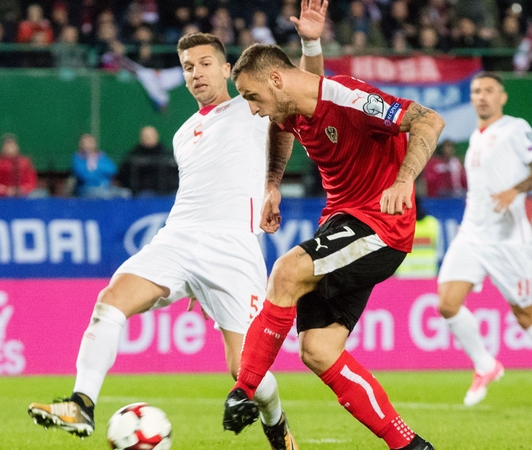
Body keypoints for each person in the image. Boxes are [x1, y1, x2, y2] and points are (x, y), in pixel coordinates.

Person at [27, 3, 330, 449]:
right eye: (187, 67)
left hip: (231, 249)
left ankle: (278, 427)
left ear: (228, 69)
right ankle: (81, 404)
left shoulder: (251, 107)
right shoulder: (183, 133)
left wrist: (310, 42)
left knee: (246, 368)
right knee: (110, 302)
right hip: (177, 240)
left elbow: (307, 89)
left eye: (205, 64)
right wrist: (189, 274)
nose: (195, 73)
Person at [223, 43, 445, 450]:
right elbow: (279, 127)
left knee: (287, 271)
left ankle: (244, 389)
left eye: (252, 97)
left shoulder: (349, 98)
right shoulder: (291, 110)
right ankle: (410, 445)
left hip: (381, 223)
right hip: (344, 221)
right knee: (318, 349)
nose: (253, 109)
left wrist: (403, 180)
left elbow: (428, 120)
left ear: (276, 79)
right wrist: (272, 184)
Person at [435, 72, 532, 417]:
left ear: (502, 96)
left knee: (526, 315)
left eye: (489, 90)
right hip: (472, 234)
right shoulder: (475, 138)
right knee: (447, 304)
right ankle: (485, 365)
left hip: (508, 239)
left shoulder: (515, 128)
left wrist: (515, 190)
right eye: (476, 91)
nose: (482, 96)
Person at [117, 126, 178, 196]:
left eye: (150, 136)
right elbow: (122, 176)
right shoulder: (133, 156)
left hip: (165, 196)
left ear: (157, 136)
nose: (148, 138)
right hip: (137, 197)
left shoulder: (167, 156)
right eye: (145, 136)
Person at [394, 197, 442, 279]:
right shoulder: (433, 223)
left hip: (405, 275)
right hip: (428, 273)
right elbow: (439, 252)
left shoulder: (399, 224)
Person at [71, 133, 125, 198]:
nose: (89, 145)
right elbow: (85, 176)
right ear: (81, 145)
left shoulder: (101, 157)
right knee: (105, 195)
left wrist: (95, 169)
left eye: (91, 142)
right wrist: (97, 172)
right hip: (87, 189)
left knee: (125, 193)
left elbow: (112, 170)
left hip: (106, 187)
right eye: (86, 143)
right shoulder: (78, 158)